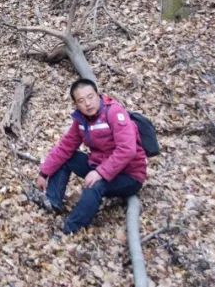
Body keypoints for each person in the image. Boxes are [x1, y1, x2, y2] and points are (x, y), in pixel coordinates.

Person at [34, 78, 147, 234]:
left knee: (94, 186)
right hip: (100, 165)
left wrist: (100, 172)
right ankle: (53, 202)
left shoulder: (114, 113)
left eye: (90, 97)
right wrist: (43, 173)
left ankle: (71, 229)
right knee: (68, 158)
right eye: (81, 100)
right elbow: (65, 147)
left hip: (129, 175)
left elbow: (127, 149)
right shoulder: (81, 121)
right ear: (76, 104)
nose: (87, 103)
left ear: (98, 95)